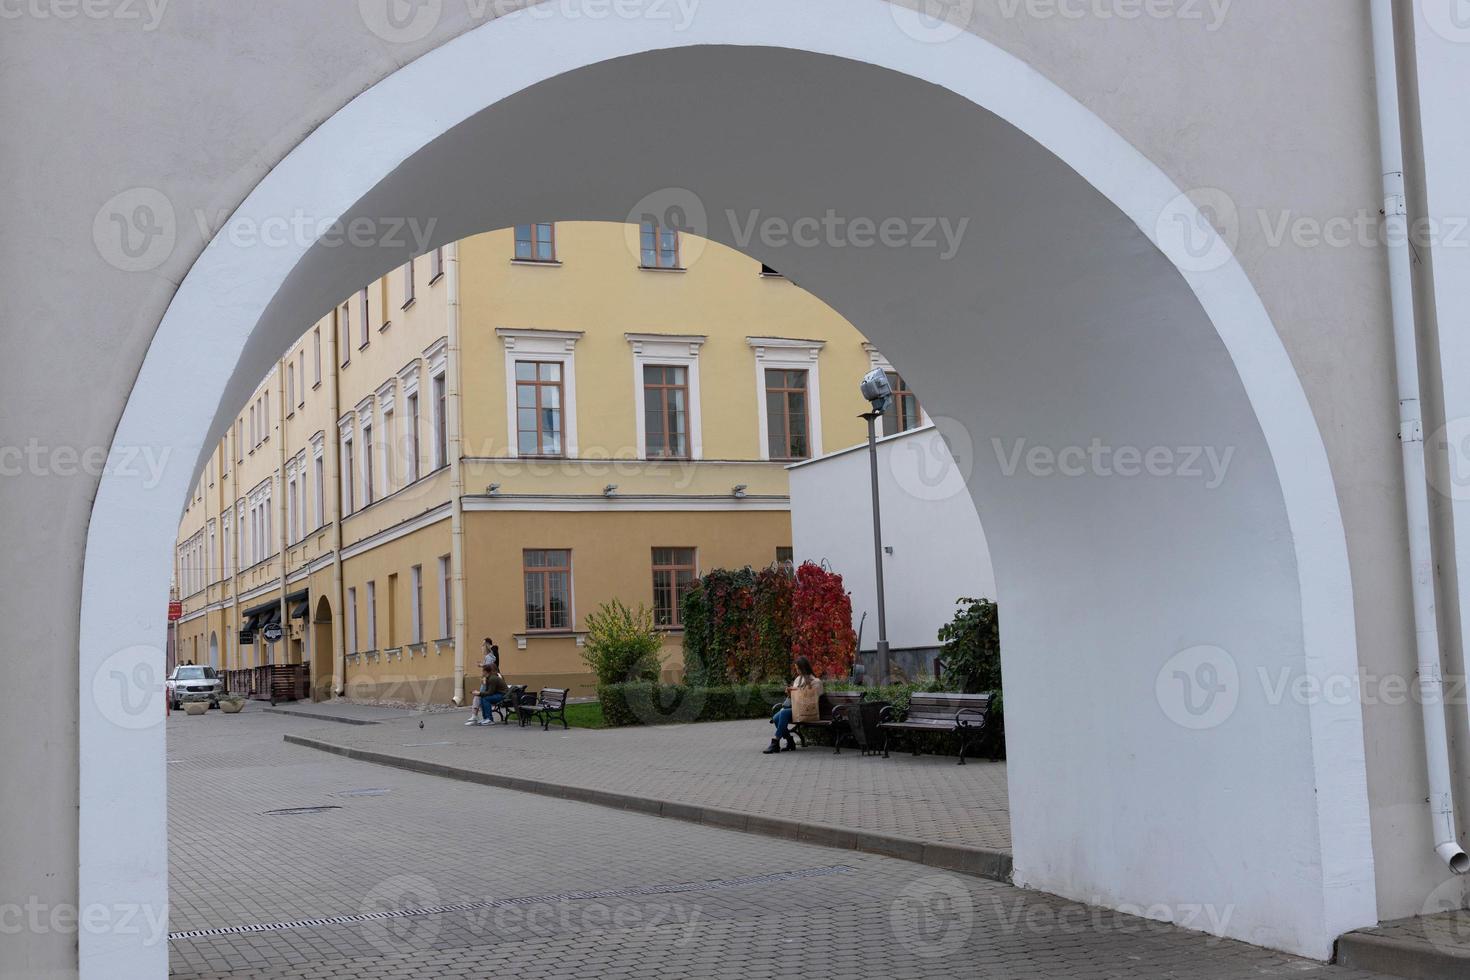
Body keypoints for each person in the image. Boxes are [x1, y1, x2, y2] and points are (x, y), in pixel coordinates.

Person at [765, 656, 821, 754]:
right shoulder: (798, 679)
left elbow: (814, 698)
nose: (797, 671)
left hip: (807, 711)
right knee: (775, 718)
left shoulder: (816, 681)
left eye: (798, 669)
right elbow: (795, 698)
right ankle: (790, 741)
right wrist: (790, 693)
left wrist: (804, 689)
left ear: (804, 668)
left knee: (783, 713)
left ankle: (775, 742)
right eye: (796, 669)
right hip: (796, 709)